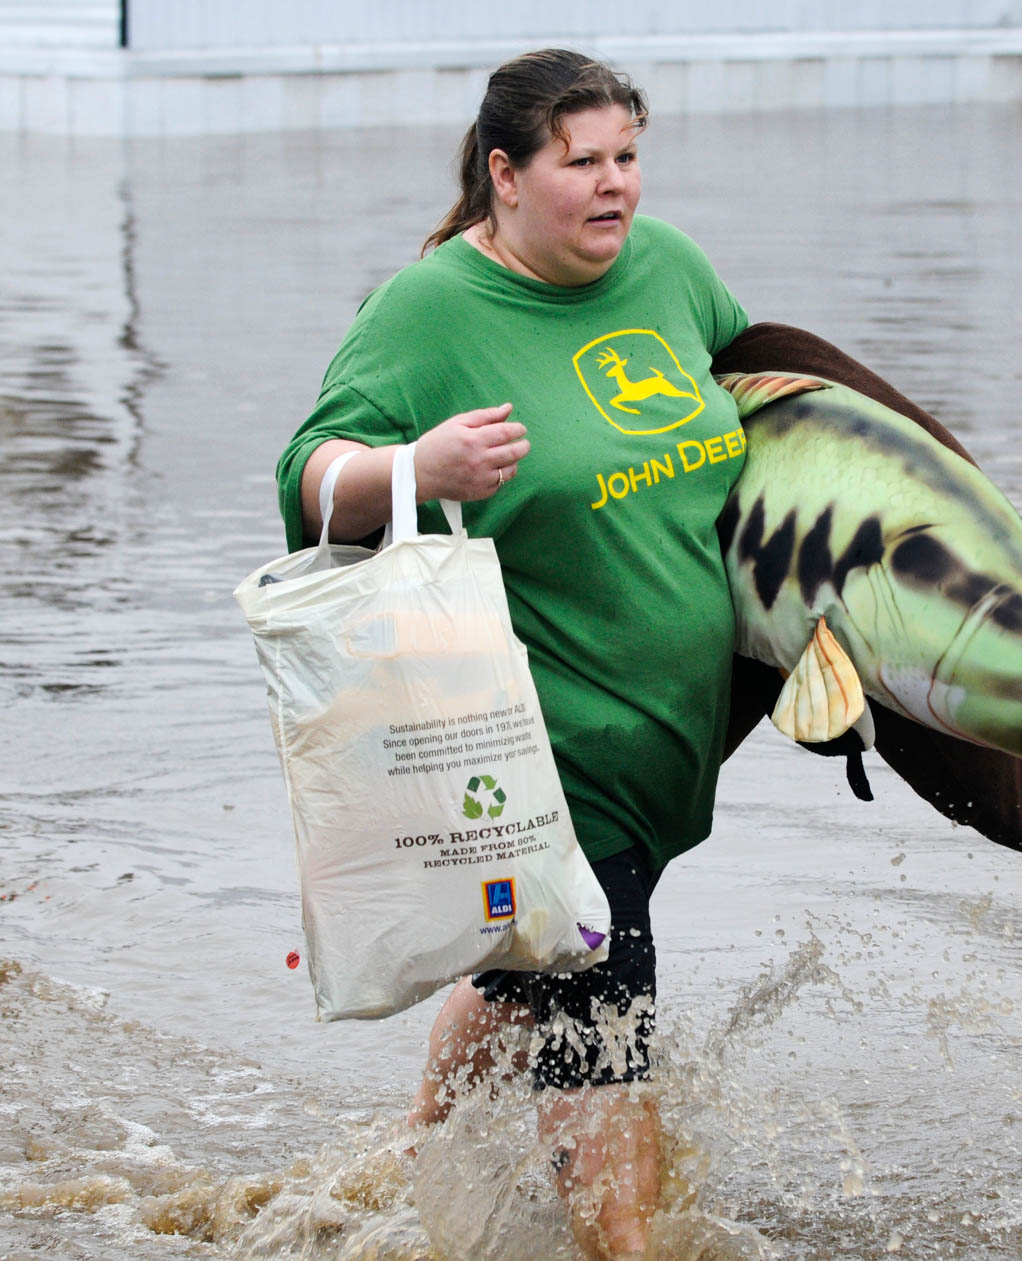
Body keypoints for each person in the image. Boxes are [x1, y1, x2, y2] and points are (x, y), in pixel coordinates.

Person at [274, 49, 749, 1260]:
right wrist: (410, 471)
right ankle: (626, 1245)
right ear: (505, 173)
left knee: (528, 954)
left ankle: (407, 1170)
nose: (615, 186)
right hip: (538, 746)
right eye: (580, 161)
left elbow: (775, 416)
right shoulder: (431, 308)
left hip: (666, 737)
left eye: (627, 156)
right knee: (605, 1008)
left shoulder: (672, 269)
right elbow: (307, 475)